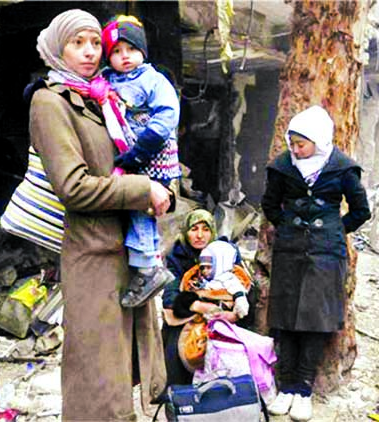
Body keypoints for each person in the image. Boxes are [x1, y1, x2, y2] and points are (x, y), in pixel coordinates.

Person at [30, 10, 170, 420]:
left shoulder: (105, 97)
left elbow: (139, 160)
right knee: (96, 381)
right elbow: (73, 186)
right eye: (78, 43)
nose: (91, 52)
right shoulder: (51, 101)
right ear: (58, 48)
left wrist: (165, 189)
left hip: (129, 254)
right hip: (93, 258)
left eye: (96, 43)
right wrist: (144, 190)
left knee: (123, 377)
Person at [261, 105, 371, 421]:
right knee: (286, 318)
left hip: (326, 256)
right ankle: (285, 389)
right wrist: (290, 226)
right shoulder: (283, 167)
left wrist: (334, 230)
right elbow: (270, 205)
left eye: (302, 144)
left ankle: (304, 390)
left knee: (315, 319)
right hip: (290, 252)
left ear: (319, 141)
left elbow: (361, 211)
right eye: (292, 143)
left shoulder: (342, 169)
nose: (295, 149)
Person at [100, 15, 183, 308]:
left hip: (152, 154)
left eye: (131, 50)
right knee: (132, 207)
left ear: (143, 52)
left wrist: (142, 150)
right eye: (117, 51)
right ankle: (144, 263)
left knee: (141, 208)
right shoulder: (107, 79)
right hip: (129, 156)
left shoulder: (152, 80)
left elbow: (167, 115)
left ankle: (148, 266)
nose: (125, 57)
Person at [160, 209, 253, 385]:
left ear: (213, 232)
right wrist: (203, 308)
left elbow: (243, 286)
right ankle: (179, 392)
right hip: (190, 313)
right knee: (176, 340)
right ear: (186, 232)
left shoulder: (226, 252)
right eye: (194, 229)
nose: (200, 235)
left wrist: (231, 313)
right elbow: (170, 297)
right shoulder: (178, 255)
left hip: (226, 312)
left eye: (205, 229)